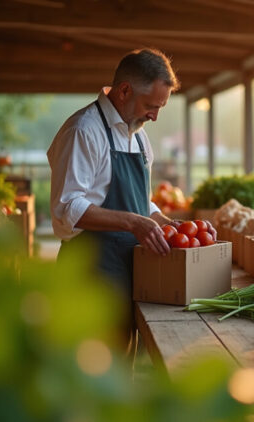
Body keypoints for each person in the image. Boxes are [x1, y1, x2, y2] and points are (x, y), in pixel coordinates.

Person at [48, 48, 215, 307]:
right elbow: (66, 208)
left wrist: (173, 225)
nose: (155, 117)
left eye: (160, 107)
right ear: (124, 91)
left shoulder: (138, 136)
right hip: (89, 274)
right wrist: (133, 223)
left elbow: (140, 204)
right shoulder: (83, 131)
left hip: (129, 269)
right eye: (150, 105)